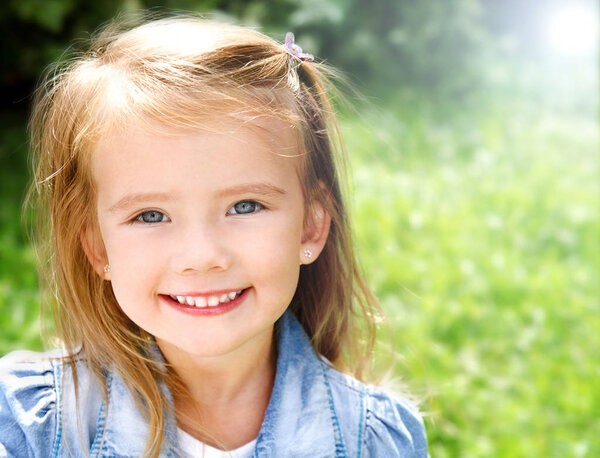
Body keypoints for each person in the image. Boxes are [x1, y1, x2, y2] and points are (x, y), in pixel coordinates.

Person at [0, 16, 428, 457]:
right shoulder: (28, 426)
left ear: (311, 225)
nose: (201, 257)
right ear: (96, 246)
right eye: (150, 215)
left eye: (244, 206)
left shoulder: (376, 441)